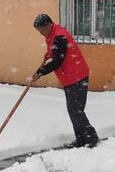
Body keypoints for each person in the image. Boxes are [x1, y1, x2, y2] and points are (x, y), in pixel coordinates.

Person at [31, 13, 99, 148]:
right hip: (71, 77)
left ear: (48, 25)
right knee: (73, 110)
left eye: (41, 30)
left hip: (76, 77)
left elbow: (57, 60)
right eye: (38, 31)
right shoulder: (52, 34)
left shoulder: (59, 36)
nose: (40, 33)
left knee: (76, 111)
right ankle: (81, 139)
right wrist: (46, 58)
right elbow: (53, 53)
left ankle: (91, 138)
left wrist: (41, 72)